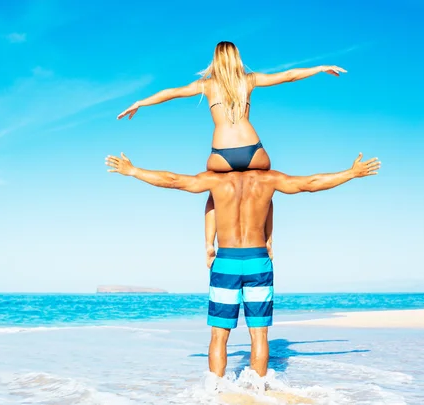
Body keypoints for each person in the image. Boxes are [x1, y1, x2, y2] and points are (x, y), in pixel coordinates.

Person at [104, 151, 380, 378]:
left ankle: (213, 392)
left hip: (226, 261)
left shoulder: (214, 182)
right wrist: (350, 173)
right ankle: (258, 391)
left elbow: (174, 180)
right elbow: (310, 183)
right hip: (258, 260)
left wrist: (133, 171)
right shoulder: (269, 179)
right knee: (259, 334)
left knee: (219, 335)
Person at [117, 41, 347, 267]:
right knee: (265, 188)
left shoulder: (206, 85)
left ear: (215, 60)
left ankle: (209, 244)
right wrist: (319, 68)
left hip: (221, 155)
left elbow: (172, 93)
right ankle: (267, 239)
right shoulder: (249, 80)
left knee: (215, 191)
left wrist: (140, 102)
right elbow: (288, 75)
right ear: (237, 58)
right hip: (253, 151)